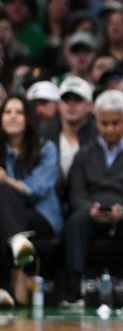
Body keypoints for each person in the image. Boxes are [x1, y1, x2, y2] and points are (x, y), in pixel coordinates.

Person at [62, 90, 123, 307]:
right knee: (76, 220)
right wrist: (88, 208)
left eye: (115, 123)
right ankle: (74, 290)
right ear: (97, 124)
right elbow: (76, 192)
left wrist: (122, 209)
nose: (110, 128)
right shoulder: (83, 155)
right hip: (90, 210)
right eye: (105, 123)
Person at [0, 96, 59, 307]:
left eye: (19, 112)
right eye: (7, 112)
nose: (12, 116)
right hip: (10, 218)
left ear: (28, 118)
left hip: (40, 214)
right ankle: (17, 244)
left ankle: (6, 286)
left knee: (4, 192)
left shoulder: (46, 148)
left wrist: (6, 180)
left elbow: (36, 189)